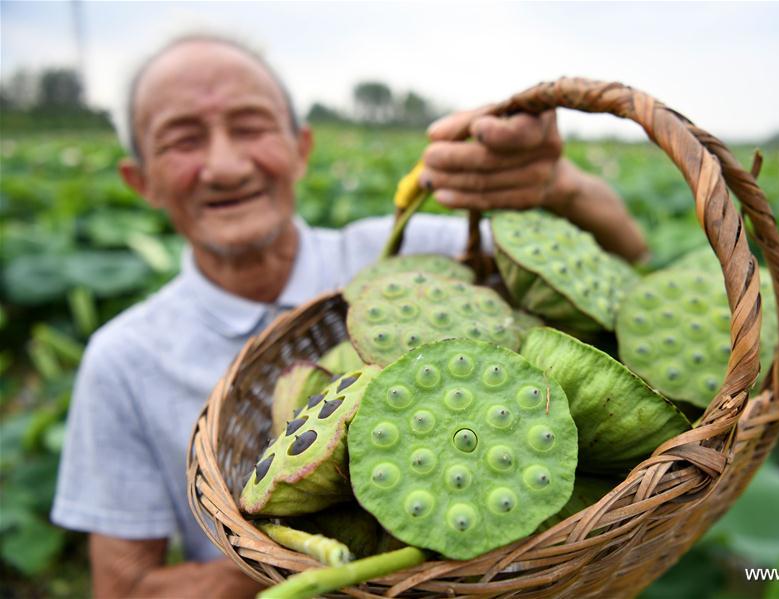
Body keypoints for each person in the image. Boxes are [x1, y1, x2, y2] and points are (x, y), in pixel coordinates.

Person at [50, 33, 647, 598]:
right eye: (182, 140)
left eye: (251, 126)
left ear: (301, 148)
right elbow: (123, 589)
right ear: (140, 181)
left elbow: (622, 277)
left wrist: (562, 186)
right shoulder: (121, 360)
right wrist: (312, 560)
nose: (226, 165)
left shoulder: (414, 263)